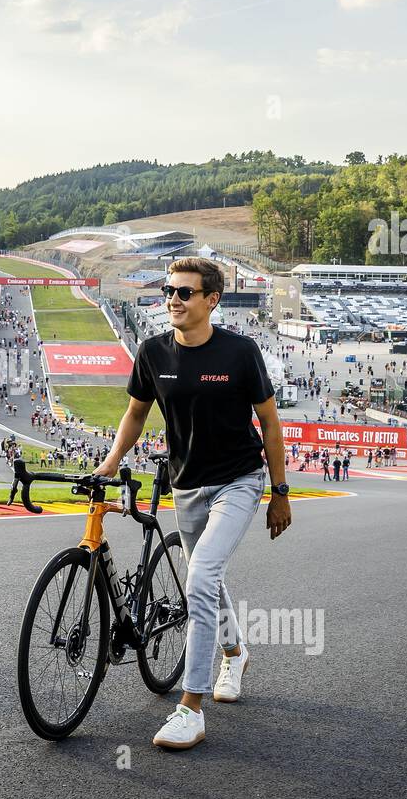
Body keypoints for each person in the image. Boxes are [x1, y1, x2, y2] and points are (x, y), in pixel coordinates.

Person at [94, 258, 291, 753]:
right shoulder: (151, 351)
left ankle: (190, 709)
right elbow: (135, 414)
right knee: (207, 578)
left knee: (200, 578)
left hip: (239, 481)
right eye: (169, 291)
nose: (173, 300)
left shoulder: (241, 353)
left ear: (212, 300)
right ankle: (234, 652)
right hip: (186, 485)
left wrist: (280, 492)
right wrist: (109, 462)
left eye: (185, 292)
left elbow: (269, 423)